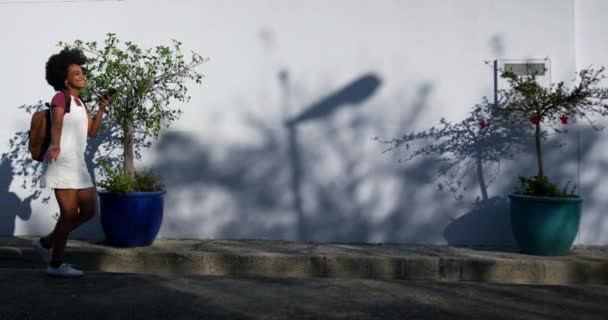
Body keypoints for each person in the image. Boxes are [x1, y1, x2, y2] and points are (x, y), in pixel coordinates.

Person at [32, 48, 111, 277]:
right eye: (76, 74)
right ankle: (55, 265)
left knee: (87, 212)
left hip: (78, 164)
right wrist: (55, 144)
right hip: (61, 161)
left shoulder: (80, 102)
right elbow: (57, 122)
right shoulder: (60, 97)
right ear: (65, 79)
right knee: (68, 215)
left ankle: (47, 242)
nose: (82, 76)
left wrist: (101, 109)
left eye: (82, 72)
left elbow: (93, 131)